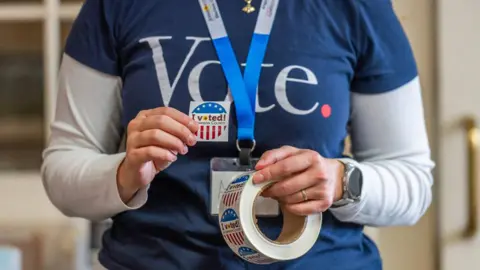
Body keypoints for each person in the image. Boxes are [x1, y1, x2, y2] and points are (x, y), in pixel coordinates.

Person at [41, 0, 435, 269]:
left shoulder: (357, 7)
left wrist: (341, 181)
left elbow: (413, 181)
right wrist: (125, 173)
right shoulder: (117, 5)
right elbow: (63, 167)